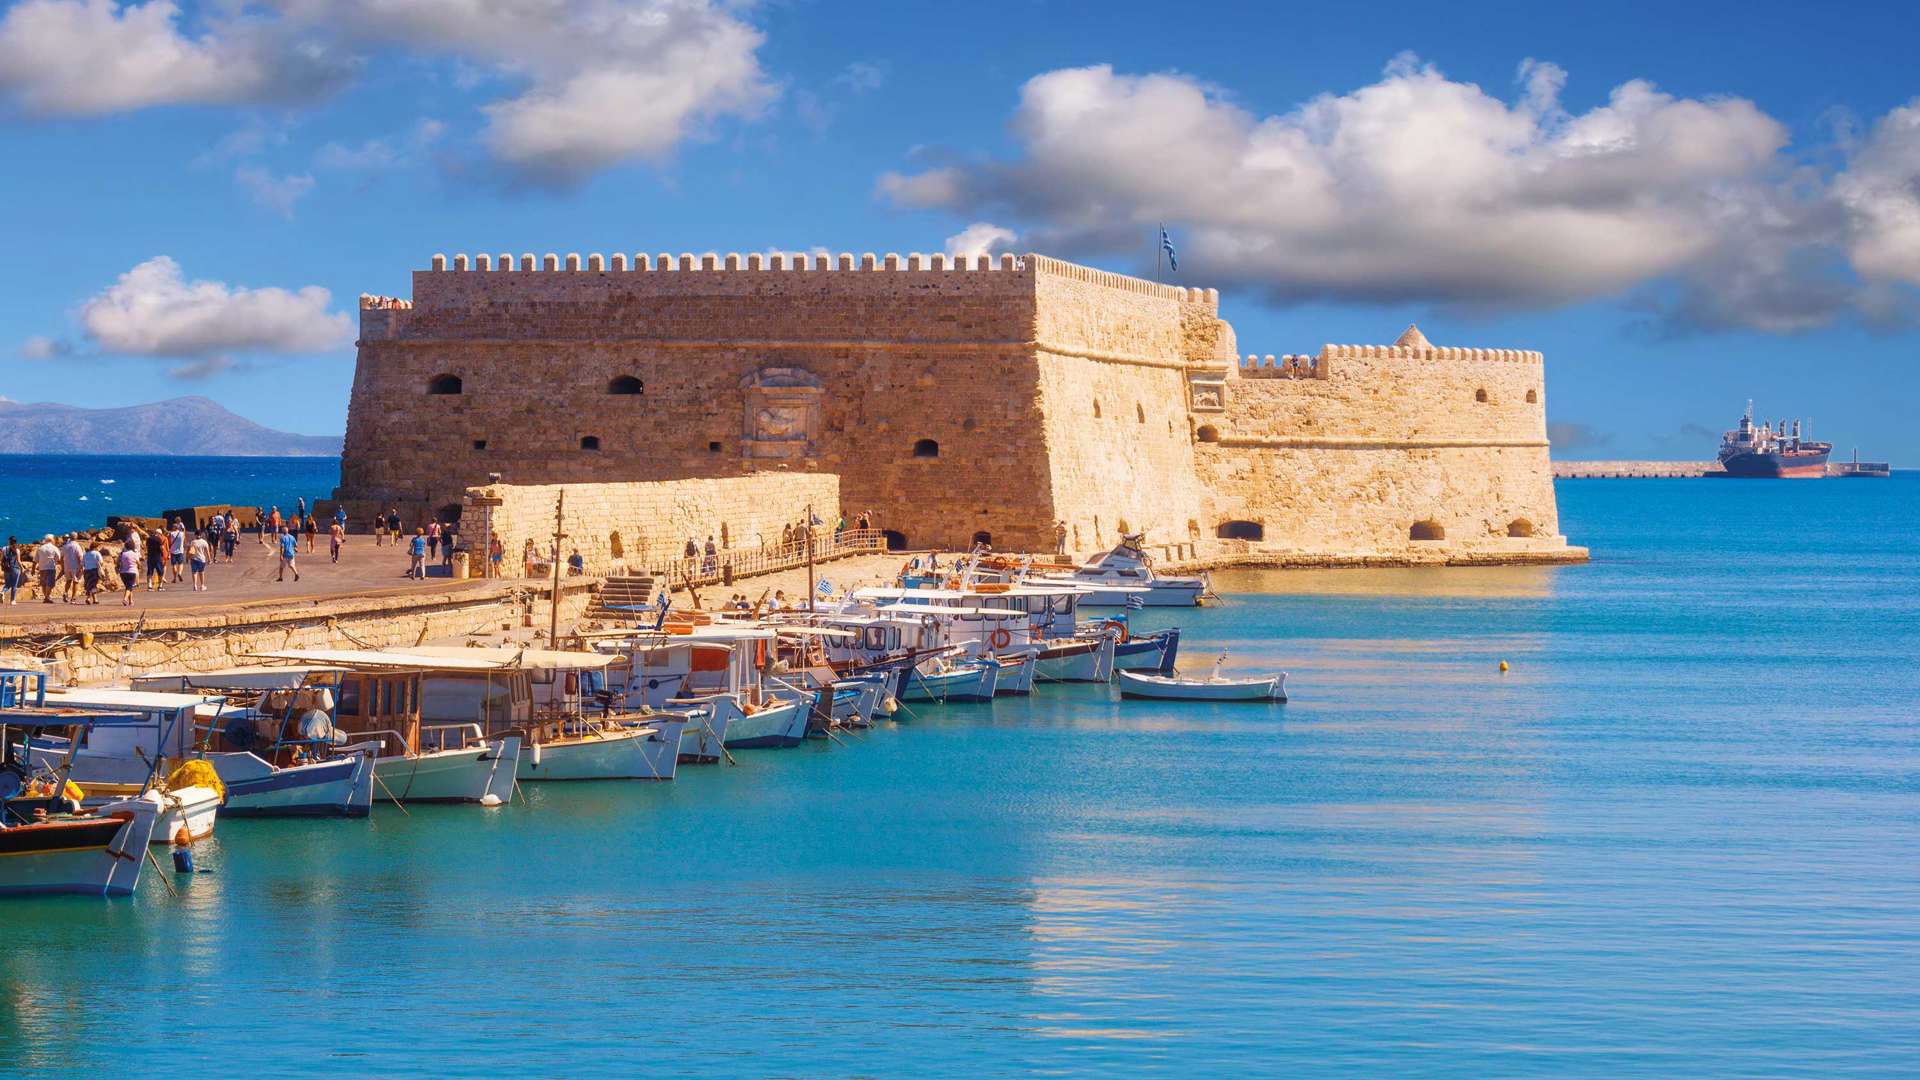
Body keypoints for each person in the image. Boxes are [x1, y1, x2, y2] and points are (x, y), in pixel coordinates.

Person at [2, 537, 20, 605]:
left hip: (7, 568)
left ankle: (2, 592)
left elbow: (1, 559)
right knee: (14, 585)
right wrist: (22, 568)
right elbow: (19, 561)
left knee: (7, 584)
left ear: (9, 541)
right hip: (15, 568)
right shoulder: (17, 550)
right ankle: (12, 600)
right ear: (15, 542)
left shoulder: (4, 548)